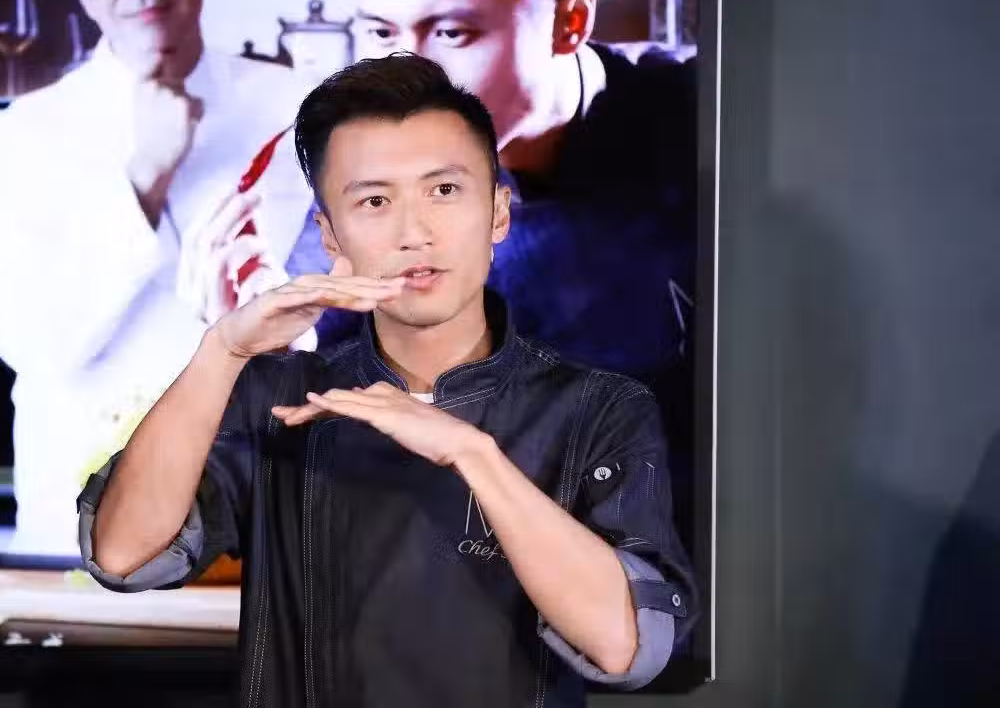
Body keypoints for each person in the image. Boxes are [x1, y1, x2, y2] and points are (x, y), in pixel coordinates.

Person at [78, 53, 696, 707]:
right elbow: (123, 555)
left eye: (444, 191)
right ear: (330, 235)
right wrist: (222, 349)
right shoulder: (279, 398)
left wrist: (471, 453)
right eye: (375, 201)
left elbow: (628, 646)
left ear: (498, 213)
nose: (414, 232)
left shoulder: (599, 407)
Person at [284, 0, 699, 544]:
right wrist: (273, 338)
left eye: (452, 34)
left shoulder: (711, 121)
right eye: (383, 33)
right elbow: (317, 374)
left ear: (571, 20)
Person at [0, 0, 315, 557]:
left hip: (260, 523)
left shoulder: (300, 108)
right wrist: (142, 184)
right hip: (75, 531)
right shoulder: (27, 131)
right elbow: (31, 342)